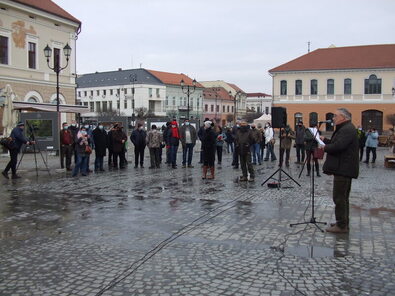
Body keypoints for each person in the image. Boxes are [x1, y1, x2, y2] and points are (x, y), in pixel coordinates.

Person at [321, 108, 359, 233]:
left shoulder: (347, 129)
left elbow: (339, 146)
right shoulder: (345, 128)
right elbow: (337, 142)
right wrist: (326, 141)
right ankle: (342, 222)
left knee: (339, 197)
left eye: (336, 116)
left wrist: (325, 147)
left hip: (343, 168)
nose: (333, 118)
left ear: (344, 117)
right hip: (343, 167)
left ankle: (342, 225)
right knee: (342, 197)